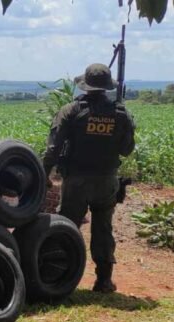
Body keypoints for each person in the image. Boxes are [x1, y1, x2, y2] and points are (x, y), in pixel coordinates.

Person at [42, 63, 136, 293]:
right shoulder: (121, 114)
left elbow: (52, 149)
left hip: (76, 180)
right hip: (106, 180)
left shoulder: (71, 111)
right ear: (107, 87)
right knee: (103, 229)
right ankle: (104, 280)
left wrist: (43, 175)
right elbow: (126, 149)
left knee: (67, 228)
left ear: (85, 85)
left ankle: (59, 276)